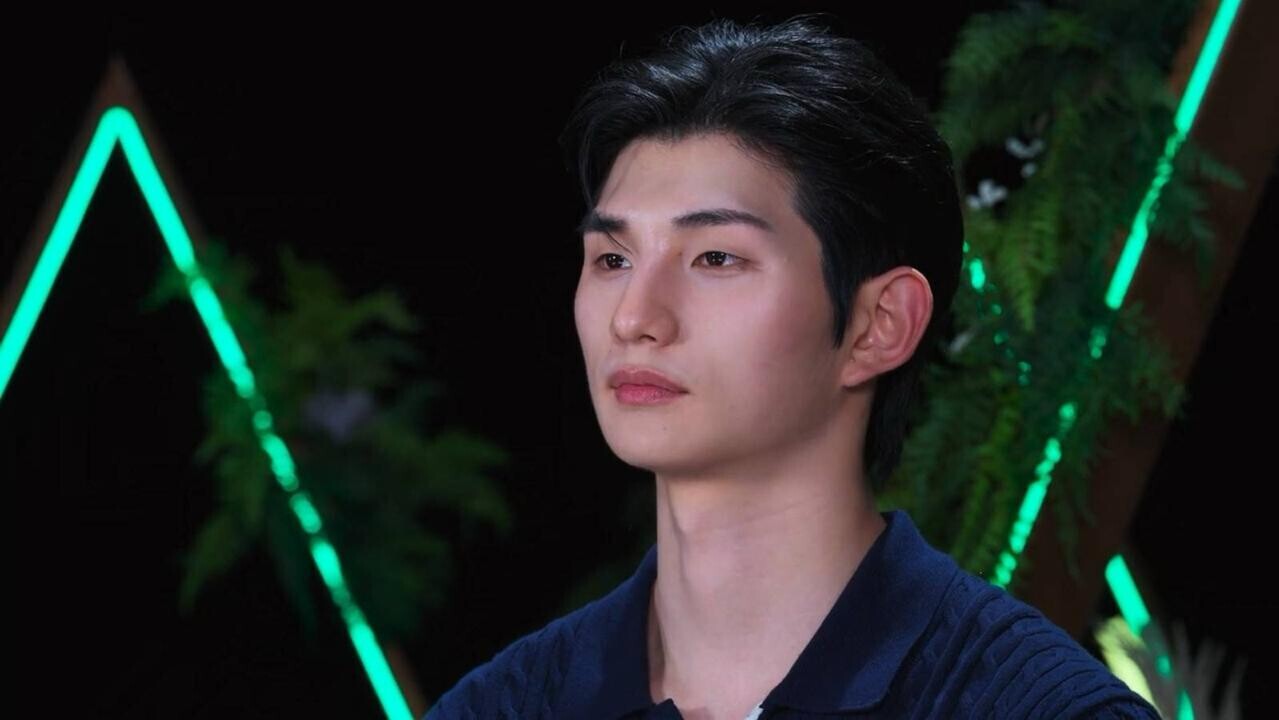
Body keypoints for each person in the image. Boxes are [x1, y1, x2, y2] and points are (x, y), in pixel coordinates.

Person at [426, 14, 1160, 719]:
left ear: (879, 325)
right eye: (612, 260)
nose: (634, 317)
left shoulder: (1034, 706)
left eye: (716, 258)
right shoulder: (502, 705)